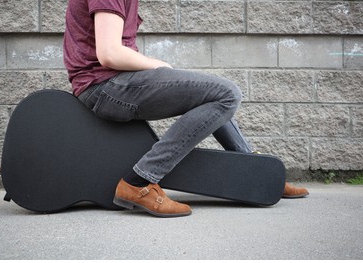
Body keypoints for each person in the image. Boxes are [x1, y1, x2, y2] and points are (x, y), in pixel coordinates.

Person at [63, 0, 308, 218]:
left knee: (212, 93)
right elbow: (109, 53)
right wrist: (158, 66)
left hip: (111, 83)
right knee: (226, 94)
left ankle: (256, 172)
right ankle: (139, 182)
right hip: (105, 87)